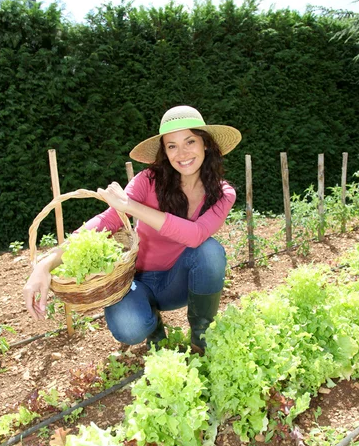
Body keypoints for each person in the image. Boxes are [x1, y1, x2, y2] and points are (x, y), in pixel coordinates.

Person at [23, 105, 241, 352]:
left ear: (206, 144)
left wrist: (132, 207)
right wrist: (46, 263)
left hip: (179, 282)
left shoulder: (222, 193)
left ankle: (201, 336)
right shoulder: (148, 180)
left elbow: (196, 236)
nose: (182, 153)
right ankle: (153, 327)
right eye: (172, 146)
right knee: (128, 328)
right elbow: (107, 221)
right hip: (137, 282)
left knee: (209, 251)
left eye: (190, 141)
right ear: (165, 152)